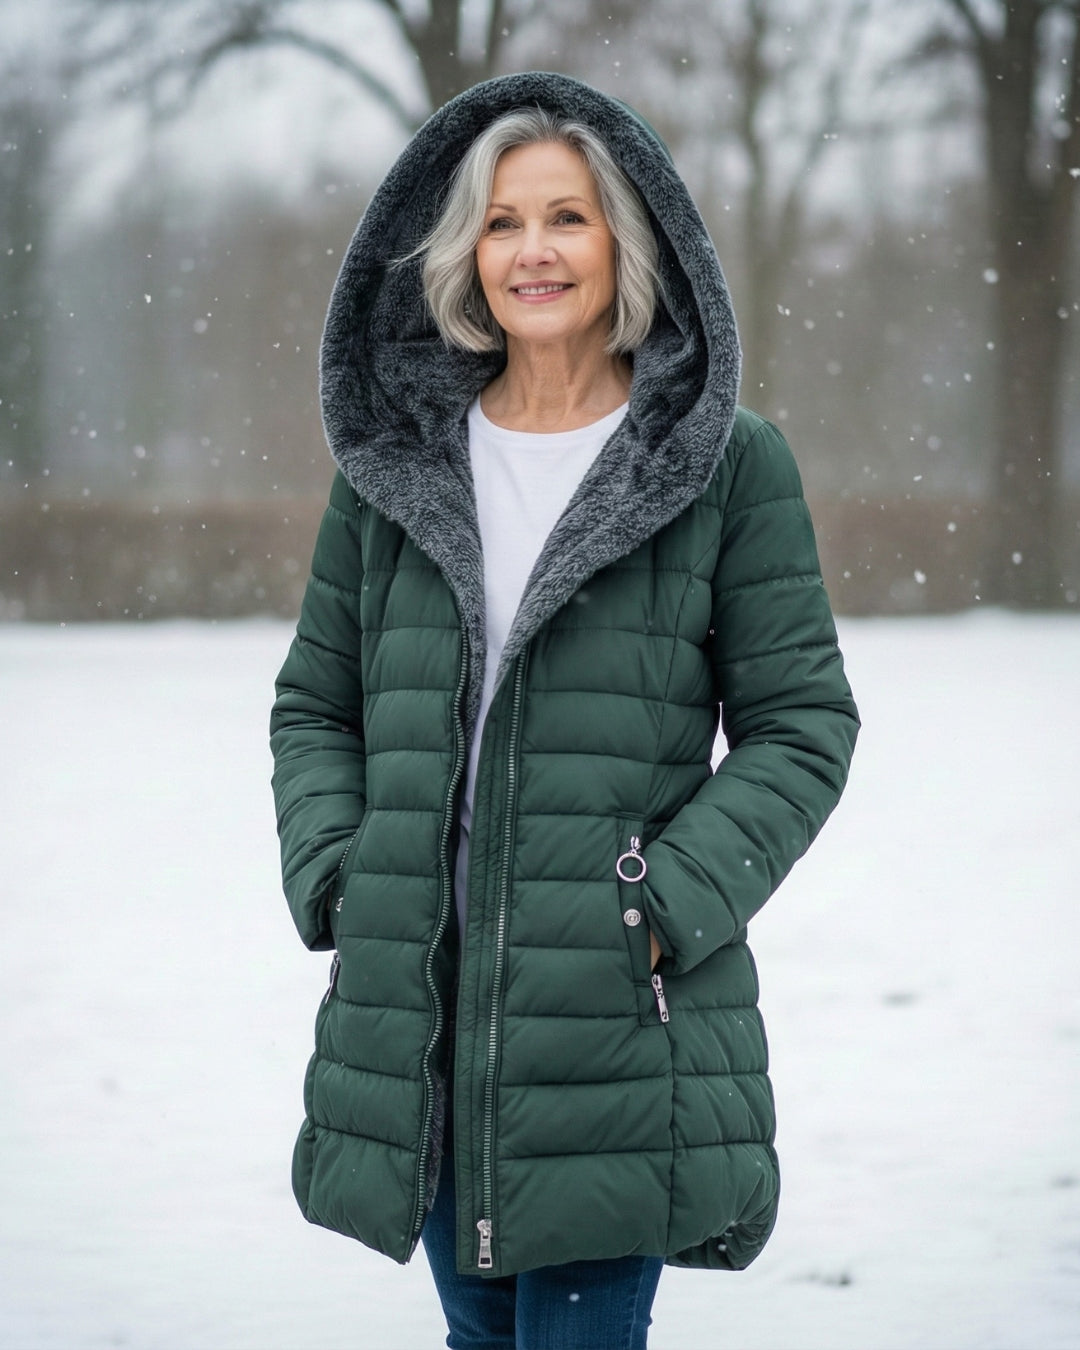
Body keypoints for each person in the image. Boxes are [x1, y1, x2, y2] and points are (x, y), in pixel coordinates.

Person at [270, 71, 859, 1349]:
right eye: (500, 221)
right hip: (421, 1018)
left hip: (613, 1022)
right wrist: (339, 872)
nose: (531, 250)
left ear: (629, 244)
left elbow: (803, 725)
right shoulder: (393, 466)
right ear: (463, 251)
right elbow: (318, 702)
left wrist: (657, 904)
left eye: (568, 218)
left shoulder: (719, 460)